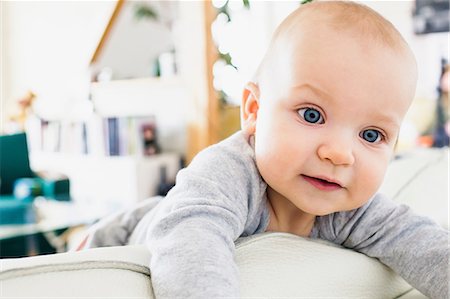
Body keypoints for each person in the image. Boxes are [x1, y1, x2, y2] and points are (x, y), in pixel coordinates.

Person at [80, 1, 449, 298]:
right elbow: (191, 240)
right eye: (311, 114)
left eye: (370, 135)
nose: (339, 153)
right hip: (130, 230)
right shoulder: (227, 172)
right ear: (254, 111)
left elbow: (425, 245)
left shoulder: (354, 208)